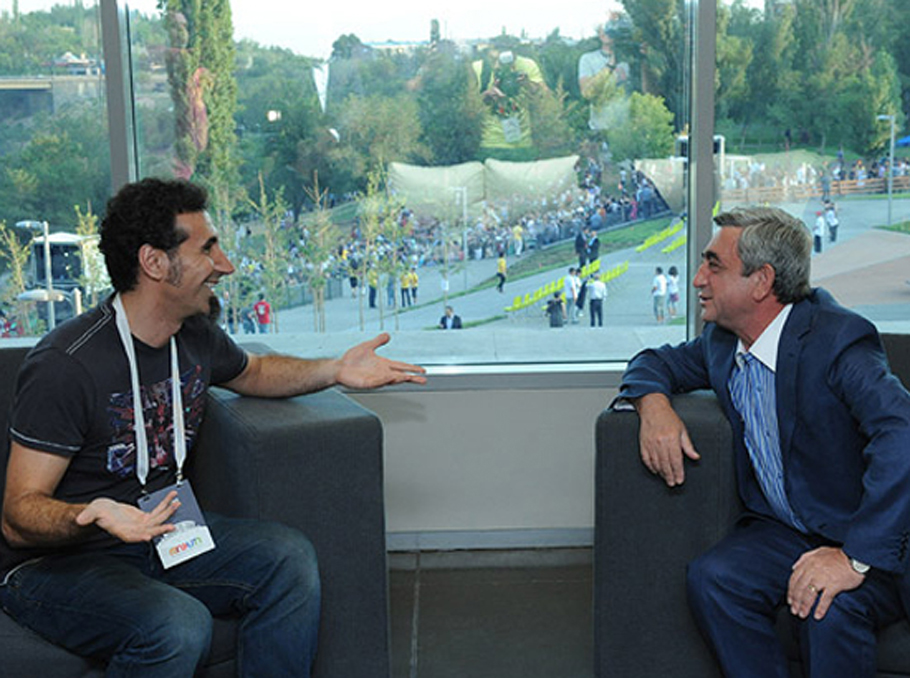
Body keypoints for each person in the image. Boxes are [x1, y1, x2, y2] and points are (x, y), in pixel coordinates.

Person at [0, 178, 427, 678]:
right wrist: (92, 514)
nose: (225, 265)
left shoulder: (193, 334)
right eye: (208, 249)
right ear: (155, 263)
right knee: (177, 624)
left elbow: (254, 372)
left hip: (162, 534)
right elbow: (17, 516)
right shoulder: (66, 364)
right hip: (61, 565)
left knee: (287, 559)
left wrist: (335, 370)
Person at [616, 206, 910, 678]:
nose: (697, 278)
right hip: (787, 530)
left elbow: (902, 432)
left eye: (714, 265)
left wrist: (852, 557)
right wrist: (654, 408)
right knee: (714, 580)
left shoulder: (838, 340)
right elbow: (653, 361)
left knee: (827, 608)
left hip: (868, 535)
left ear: (761, 282)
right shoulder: (722, 342)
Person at [472, 45, 545, 160]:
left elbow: (544, 97)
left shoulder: (527, 65)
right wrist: (486, 96)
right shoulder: (478, 68)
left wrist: (527, 84)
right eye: (493, 60)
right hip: (489, 142)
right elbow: (468, 106)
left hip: (522, 142)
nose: (497, 65)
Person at [578, 17, 631, 131]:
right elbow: (587, 92)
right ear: (600, 35)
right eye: (605, 29)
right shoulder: (588, 59)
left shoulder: (630, 59)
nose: (608, 34)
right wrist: (610, 65)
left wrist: (645, 60)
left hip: (630, 128)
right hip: (601, 128)